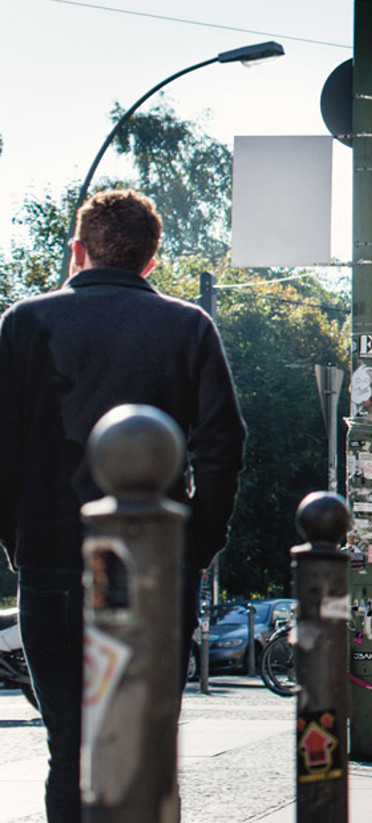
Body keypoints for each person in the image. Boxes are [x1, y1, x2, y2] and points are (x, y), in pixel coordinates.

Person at [0, 189, 246, 822]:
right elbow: (222, 444)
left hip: (51, 564)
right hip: (156, 570)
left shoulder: (25, 323)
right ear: (151, 261)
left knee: (69, 749)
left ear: (77, 250)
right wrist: (196, 546)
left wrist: (18, 541)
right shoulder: (189, 326)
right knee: (144, 742)